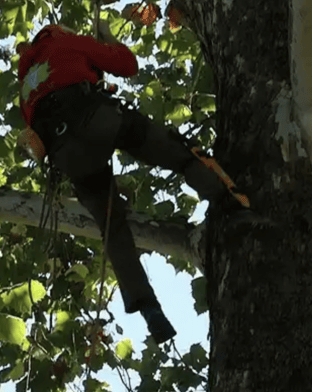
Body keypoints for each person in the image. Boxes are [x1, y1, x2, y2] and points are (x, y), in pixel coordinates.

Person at [16, 22, 250, 344]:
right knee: (178, 155)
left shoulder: (27, 85)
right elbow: (127, 66)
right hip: (98, 120)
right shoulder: (69, 45)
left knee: (112, 227)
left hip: (66, 155)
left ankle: (147, 307)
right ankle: (229, 203)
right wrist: (106, 40)